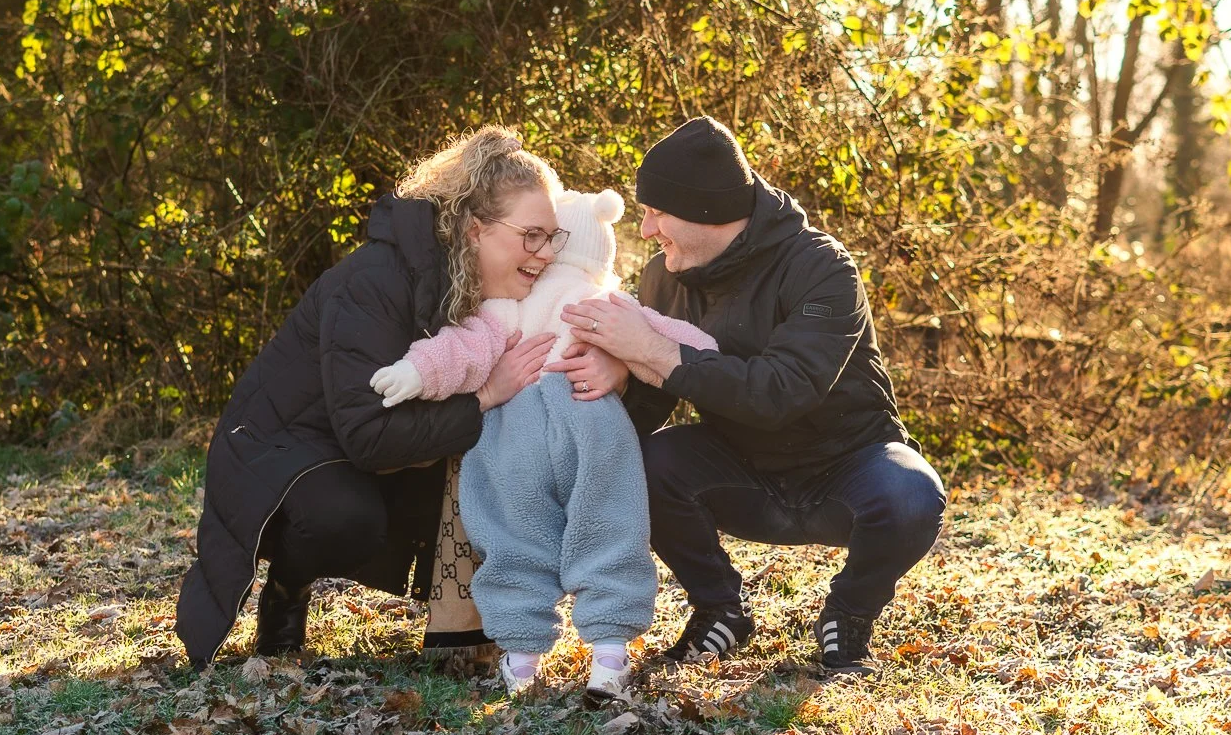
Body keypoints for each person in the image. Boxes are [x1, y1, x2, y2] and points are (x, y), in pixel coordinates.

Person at [559, 116, 947, 672]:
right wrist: (617, 375)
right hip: (739, 471)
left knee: (913, 495)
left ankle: (851, 610)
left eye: (657, 212)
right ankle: (720, 609)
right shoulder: (663, 278)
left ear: (706, 211)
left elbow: (783, 391)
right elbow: (650, 407)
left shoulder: (822, 266)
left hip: (849, 464)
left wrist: (655, 352)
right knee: (639, 459)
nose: (645, 230)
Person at [175, 127, 562, 669]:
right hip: (278, 448)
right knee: (346, 520)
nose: (544, 254)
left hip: (355, 439)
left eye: (553, 238)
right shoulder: (375, 281)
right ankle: (287, 589)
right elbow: (369, 436)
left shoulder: (475, 285)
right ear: (475, 230)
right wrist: (488, 395)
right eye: (532, 236)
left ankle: (475, 622)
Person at [370, 188, 717, 700]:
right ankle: (610, 653)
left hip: (515, 434)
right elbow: (684, 346)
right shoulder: (608, 303)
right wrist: (707, 360)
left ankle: (522, 656)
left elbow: (462, 348)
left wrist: (415, 371)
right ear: (602, 252)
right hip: (593, 427)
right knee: (609, 525)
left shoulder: (508, 306)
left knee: (513, 533)